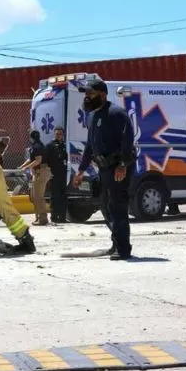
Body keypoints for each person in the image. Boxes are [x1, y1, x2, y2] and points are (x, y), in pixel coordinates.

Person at [72, 79, 137, 261]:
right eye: (85, 94)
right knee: (106, 206)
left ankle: (123, 249)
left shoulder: (116, 113)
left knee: (118, 206)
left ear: (102, 95)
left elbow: (128, 139)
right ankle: (116, 242)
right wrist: (81, 170)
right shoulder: (92, 116)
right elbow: (90, 145)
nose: (86, 98)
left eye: (90, 94)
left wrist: (123, 164)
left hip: (118, 167)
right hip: (104, 169)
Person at [19, 130, 51, 226]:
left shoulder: (37, 147)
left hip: (41, 172)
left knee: (38, 196)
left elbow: (38, 160)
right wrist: (22, 166)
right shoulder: (36, 146)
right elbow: (31, 159)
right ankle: (38, 217)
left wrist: (26, 167)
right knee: (34, 196)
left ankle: (43, 218)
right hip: (37, 172)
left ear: (31, 138)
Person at [46, 127, 69, 223]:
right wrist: (49, 172)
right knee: (55, 196)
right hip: (54, 174)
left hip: (63, 174)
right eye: (57, 134)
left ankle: (63, 217)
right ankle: (54, 217)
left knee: (63, 196)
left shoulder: (65, 145)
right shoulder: (50, 145)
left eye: (60, 134)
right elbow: (46, 160)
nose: (58, 136)